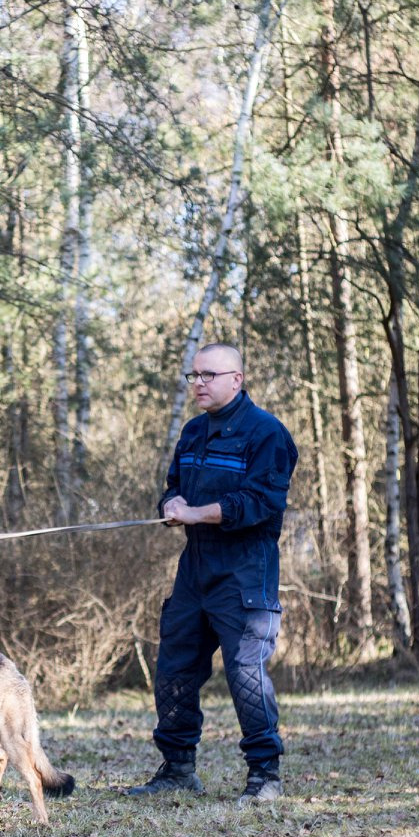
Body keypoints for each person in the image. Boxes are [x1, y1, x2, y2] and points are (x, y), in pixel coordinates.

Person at [127, 343, 299, 804]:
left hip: (245, 572)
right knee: (174, 668)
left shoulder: (267, 434)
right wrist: (170, 505)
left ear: (237, 379)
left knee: (245, 673)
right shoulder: (193, 432)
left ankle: (265, 775)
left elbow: (261, 503)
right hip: (194, 571)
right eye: (193, 376)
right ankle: (178, 768)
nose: (198, 383)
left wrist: (197, 513)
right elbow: (174, 488)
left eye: (209, 374)